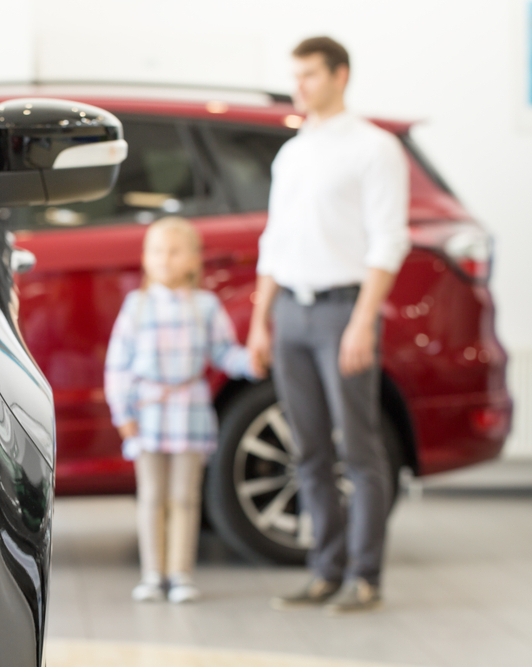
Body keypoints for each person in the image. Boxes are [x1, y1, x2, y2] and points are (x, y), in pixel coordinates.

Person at [246, 36, 410, 614]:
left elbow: (390, 240)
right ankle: (325, 569)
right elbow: (275, 241)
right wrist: (260, 321)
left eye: (310, 74)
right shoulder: (292, 152)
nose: (300, 86)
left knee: (359, 451)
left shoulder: (374, 148)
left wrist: (363, 322)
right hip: (290, 310)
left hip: (344, 311)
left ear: (340, 75)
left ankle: (365, 576)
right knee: (308, 451)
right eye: (296, 75)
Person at [105, 216, 256, 603]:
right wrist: (124, 417)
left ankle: (181, 573)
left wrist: (251, 362)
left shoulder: (205, 307)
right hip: (148, 414)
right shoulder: (135, 307)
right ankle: (153, 574)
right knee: (152, 495)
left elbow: (224, 353)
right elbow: (117, 367)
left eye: (174, 252)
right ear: (145, 259)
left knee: (185, 497)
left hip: (190, 412)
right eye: (157, 251)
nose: (165, 259)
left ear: (193, 260)